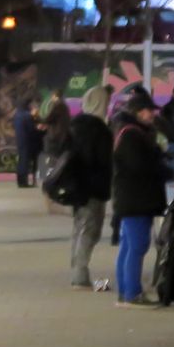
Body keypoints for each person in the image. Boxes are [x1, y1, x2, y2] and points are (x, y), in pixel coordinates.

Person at [110, 90, 165, 308]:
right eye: (149, 111)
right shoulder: (132, 135)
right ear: (138, 112)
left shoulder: (128, 131)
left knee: (128, 245)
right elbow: (140, 167)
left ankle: (126, 291)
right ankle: (132, 293)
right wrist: (162, 166)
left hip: (130, 198)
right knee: (137, 245)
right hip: (136, 199)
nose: (152, 114)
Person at [65, 90, 113, 289]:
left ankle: (77, 270)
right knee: (90, 230)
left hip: (76, 186)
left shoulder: (75, 125)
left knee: (79, 227)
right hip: (94, 187)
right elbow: (103, 160)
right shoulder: (99, 129)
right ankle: (79, 275)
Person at [12, 98, 42, 188]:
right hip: (27, 141)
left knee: (21, 161)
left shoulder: (17, 114)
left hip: (20, 140)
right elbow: (31, 130)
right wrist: (38, 128)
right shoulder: (27, 116)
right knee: (25, 162)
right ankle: (24, 182)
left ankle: (20, 181)